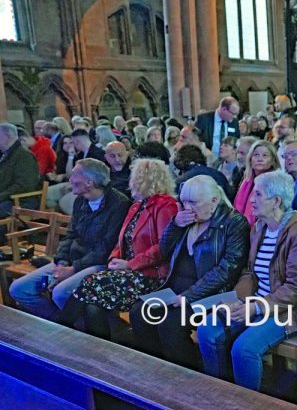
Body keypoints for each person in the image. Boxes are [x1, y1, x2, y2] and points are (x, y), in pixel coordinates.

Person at [198, 170, 297, 390]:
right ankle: (220, 394)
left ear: (276, 201)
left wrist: (256, 307)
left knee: (244, 349)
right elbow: (249, 272)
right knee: (207, 330)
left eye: (258, 194)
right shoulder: (260, 227)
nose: (251, 199)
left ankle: (248, 409)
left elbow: (296, 288)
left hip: (291, 310)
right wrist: (239, 299)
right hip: (256, 303)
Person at [129, 175, 249, 370]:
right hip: (175, 288)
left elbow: (227, 270)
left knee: (170, 325)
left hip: (210, 294)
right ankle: (155, 369)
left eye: (193, 202)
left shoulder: (234, 222)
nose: (187, 207)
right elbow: (164, 250)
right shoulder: (185, 220)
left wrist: (188, 296)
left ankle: (186, 377)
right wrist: (175, 224)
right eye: (183, 202)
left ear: (214, 201)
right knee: (140, 312)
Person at [59, 159, 178, 339]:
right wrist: (113, 259)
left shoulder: (165, 205)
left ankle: (60, 332)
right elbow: (120, 240)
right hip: (127, 272)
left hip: (149, 275)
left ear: (146, 179)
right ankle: (100, 351)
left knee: (89, 283)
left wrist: (130, 264)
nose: (132, 182)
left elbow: (163, 247)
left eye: (136, 177)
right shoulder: (137, 206)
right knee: (93, 307)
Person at [10, 159, 131, 320]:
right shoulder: (81, 200)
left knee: (60, 293)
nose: (70, 179)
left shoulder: (119, 204)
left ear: (89, 182)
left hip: (99, 264)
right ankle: (61, 324)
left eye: (74, 175)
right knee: (19, 289)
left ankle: (75, 330)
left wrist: (73, 269)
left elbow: (106, 248)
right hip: (72, 261)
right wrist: (61, 264)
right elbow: (70, 235)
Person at [0, 123, 42, 222]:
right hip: (8, 198)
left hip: (21, 200)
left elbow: (24, 185)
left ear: (8, 136)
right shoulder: (7, 154)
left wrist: (1, 195)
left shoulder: (24, 155)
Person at [233, 140, 280, 225]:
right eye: (256, 155)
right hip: (238, 228)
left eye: (265, 155)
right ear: (250, 159)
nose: (260, 159)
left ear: (273, 161)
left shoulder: (275, 183)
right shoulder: (246, 179)